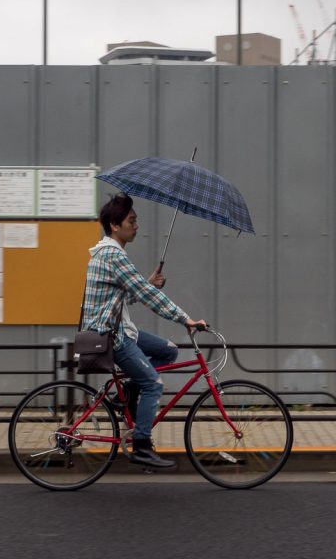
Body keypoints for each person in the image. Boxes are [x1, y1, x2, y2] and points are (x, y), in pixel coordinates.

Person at [81, 193, 207, 469]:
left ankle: (125, 392)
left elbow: (124, 297)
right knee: (154, 383)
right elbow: (148, 297)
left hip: (119, 329)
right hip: (112, 336)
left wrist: (148, 283)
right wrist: (185, 318)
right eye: (132, 220)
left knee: (169, 351)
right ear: (115, 225)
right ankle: (141, 445)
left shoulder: (110, 254)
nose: (136, 226)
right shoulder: (114, 256)